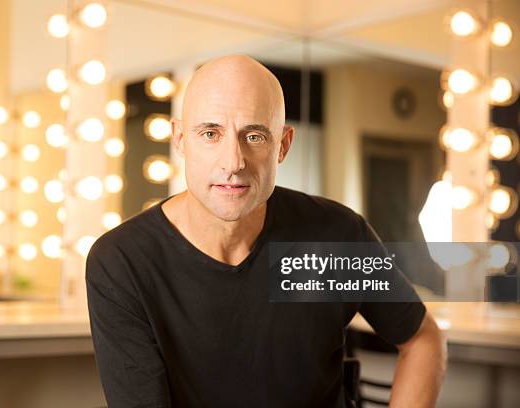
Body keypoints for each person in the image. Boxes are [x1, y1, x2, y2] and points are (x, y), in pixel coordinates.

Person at [86, 55, 447, 407]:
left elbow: (422, 340)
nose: (233, 162)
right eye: (210, 133)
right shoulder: (121, 262)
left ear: (283, 145)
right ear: (180, 139)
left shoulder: (337, 236)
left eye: (254, 136)